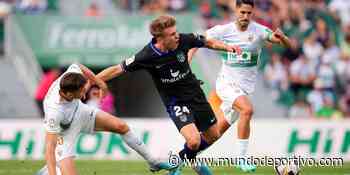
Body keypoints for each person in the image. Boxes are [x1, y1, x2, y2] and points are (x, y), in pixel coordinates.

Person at [97, 15, 240, 175]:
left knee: (213, 135)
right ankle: (176, 166)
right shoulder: (147, 55)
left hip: (196, 96)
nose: (176, 35)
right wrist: (92, 80)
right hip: (175, 101)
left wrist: (227, 47)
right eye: (172, 34)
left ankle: (187, 160)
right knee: (193, 142)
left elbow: (207, 42)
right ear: (160, 38)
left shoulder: (184, 40)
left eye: (176, 31)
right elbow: (118, 69)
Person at [188, 0, 291, 172]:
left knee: (215, 133)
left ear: (253, 13)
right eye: (242, 12)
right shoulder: (224, 30)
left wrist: (283, 38)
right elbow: (197, 40)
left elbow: (285, 44)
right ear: (236, 11)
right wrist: (188, 61)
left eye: (249, 13)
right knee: (247, 110)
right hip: (227, 84)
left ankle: (185, 157)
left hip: (243, 90)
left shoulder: (258, 30)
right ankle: (240, 158)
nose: (245, 17)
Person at [36, 64, 174, 175]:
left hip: (80, 111)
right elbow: (49, 148)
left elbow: (78, 66)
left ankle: (153, 162)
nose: (86, 92)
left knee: (121, 126)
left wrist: (100, 83)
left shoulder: (69, 79)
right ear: (69, 94)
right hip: (65, 132)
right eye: (82, 91)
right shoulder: (54, 111)